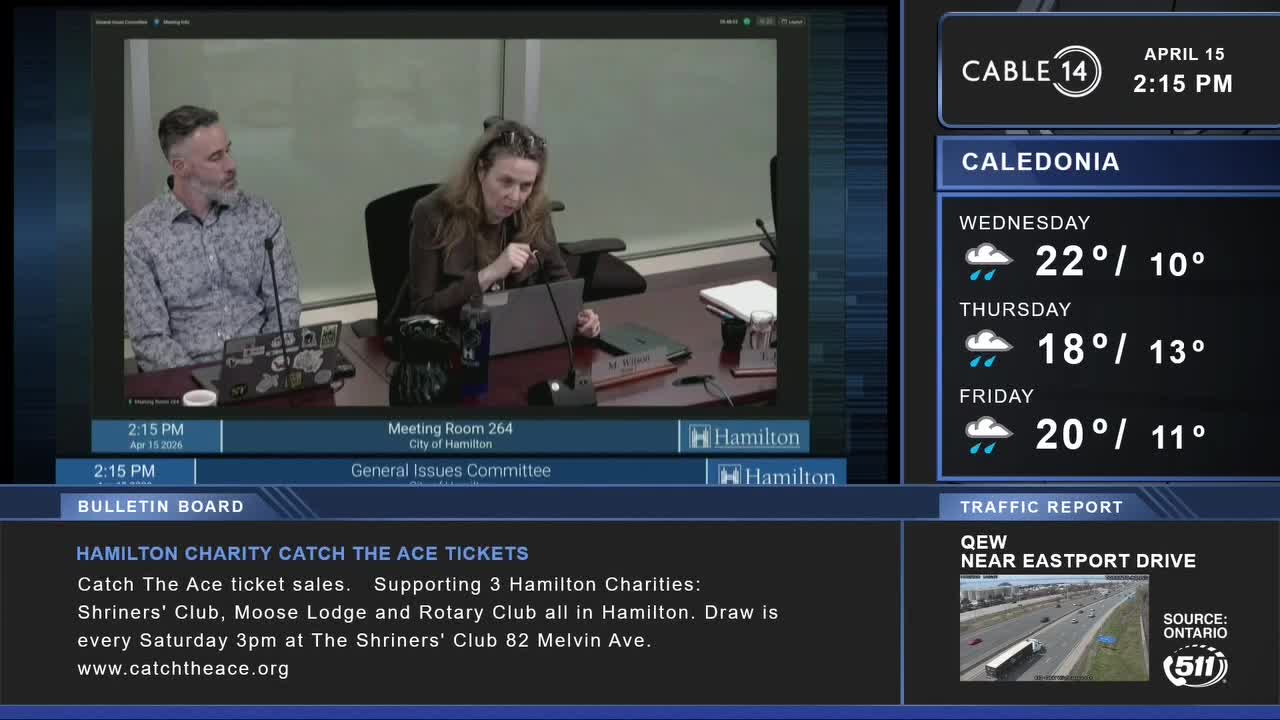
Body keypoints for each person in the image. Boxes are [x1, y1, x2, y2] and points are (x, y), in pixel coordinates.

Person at [125, 105, 302, 371]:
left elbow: (284, 307)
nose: (231, 165)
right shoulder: (140, 237)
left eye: (228, 150)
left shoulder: (261, 217)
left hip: (262, 372)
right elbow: (151, 340)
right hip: (189, 385)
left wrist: (265, 368)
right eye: (216, 157)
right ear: (180, 167)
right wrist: (202, 391)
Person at [408, 120, 600, 338]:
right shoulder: (432, 213)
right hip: (454, 340)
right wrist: (491, 273)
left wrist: (581, 315)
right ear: (481, 171)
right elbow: (421, 311)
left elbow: (559, 280)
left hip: (514, 335)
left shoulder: (534, 210)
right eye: (506, 182)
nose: (515, 197)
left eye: (526, 186)